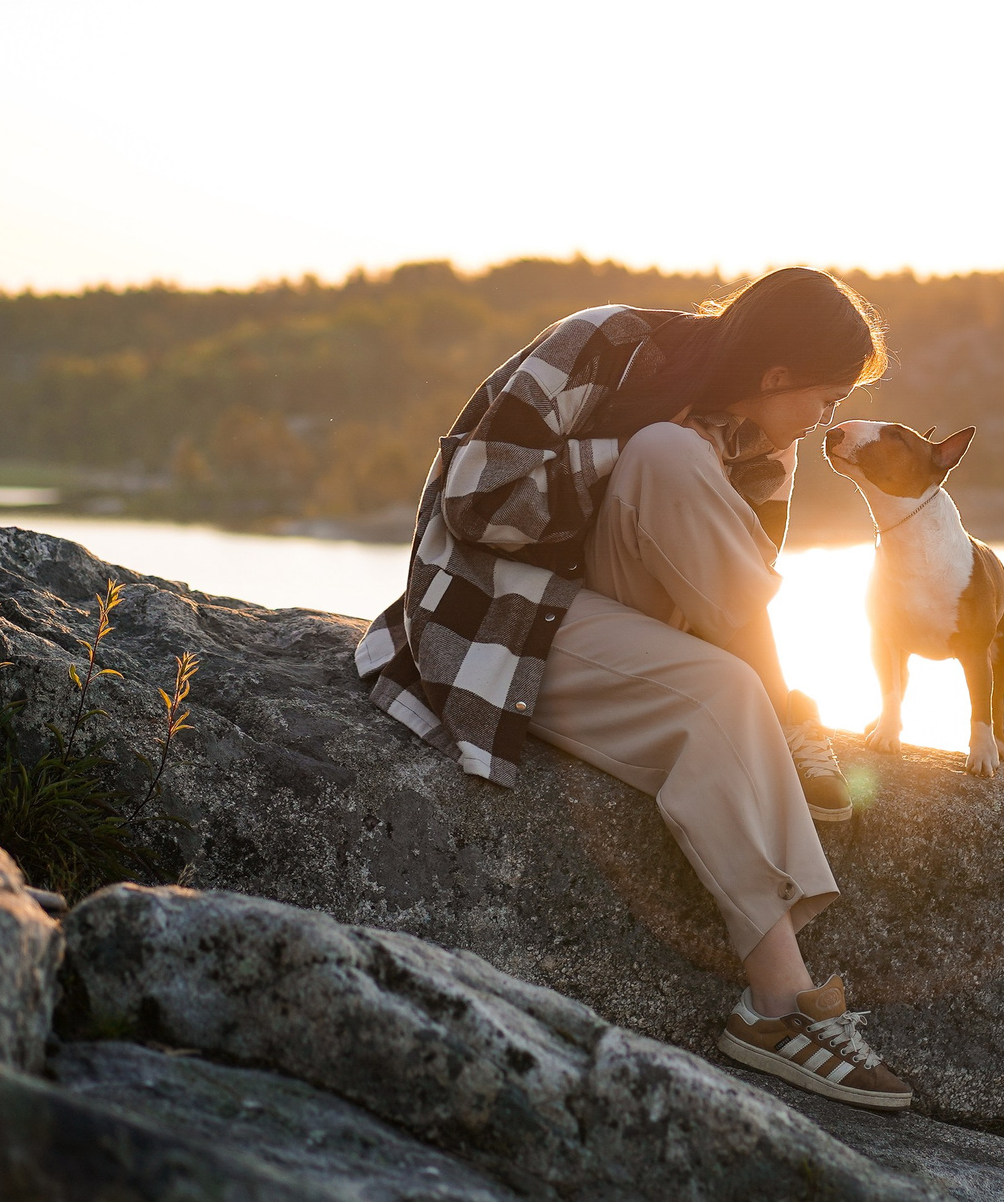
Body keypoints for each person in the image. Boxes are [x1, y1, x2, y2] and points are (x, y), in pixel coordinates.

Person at [355, 266, 914, 1109]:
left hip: (623, 614)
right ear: (777, 375)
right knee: (671, 478)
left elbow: (730, 586)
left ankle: (775, 717)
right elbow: (475, 501)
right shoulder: (602, 343)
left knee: (721, 650)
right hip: (505, 611)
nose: (825, 418)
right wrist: (629, 445)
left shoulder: (769, 443)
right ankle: (780, 1003)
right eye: (826, 398)